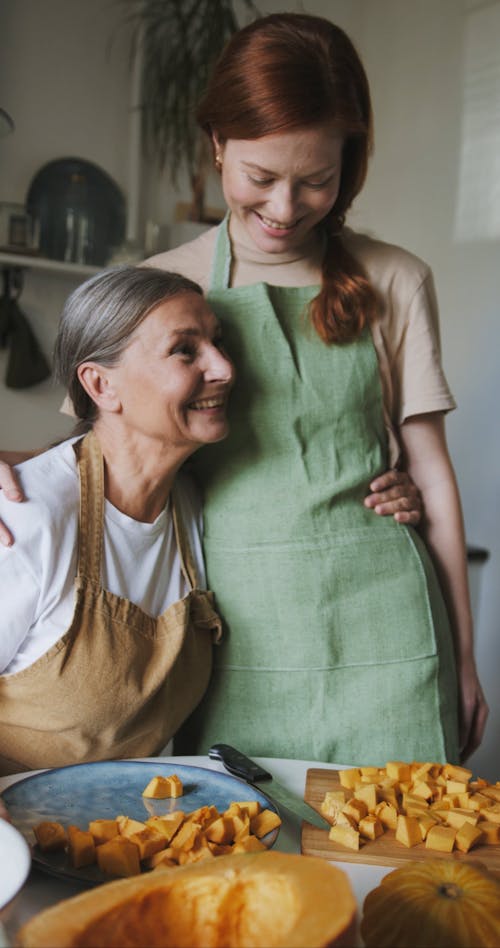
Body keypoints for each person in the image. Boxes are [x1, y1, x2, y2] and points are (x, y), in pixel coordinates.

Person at [0, 13, 487, 766]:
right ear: (217, 144)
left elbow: (433, 474)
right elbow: (94, 448)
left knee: (405, 871)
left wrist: (463, 655)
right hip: (236, 641)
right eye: (261, 178)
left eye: (316, 180)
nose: (286, 208)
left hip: (388, 627)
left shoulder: (395, 278)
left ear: (348, 165)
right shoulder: (166, 284)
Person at [0, 265, 234, 776]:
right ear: (102, 386)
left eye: (218, 343)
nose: (224, 368)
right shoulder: (25, 516)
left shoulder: (192, 507)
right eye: (185, 350)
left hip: (123, 835)